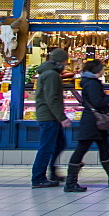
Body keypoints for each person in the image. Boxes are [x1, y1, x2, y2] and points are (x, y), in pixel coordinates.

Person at [64, 59, 109, 191]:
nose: (103, 71)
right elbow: (97, 102)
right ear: (98, 70)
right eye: (102, 68)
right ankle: (70, 182)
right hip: (92, 122)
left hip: (96, 122)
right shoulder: (92, 84)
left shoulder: (89, 82)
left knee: (104, 147)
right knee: (81, 149)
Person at [31, 49, 72, 187]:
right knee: (47, 147)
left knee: (59, 144)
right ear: (62, 61)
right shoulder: (51, 75)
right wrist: (62, 118)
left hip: (50, 116)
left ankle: (52, 172)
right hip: (49, 117)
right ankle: (38, 178)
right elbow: (52, 99)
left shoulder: (49, 72)